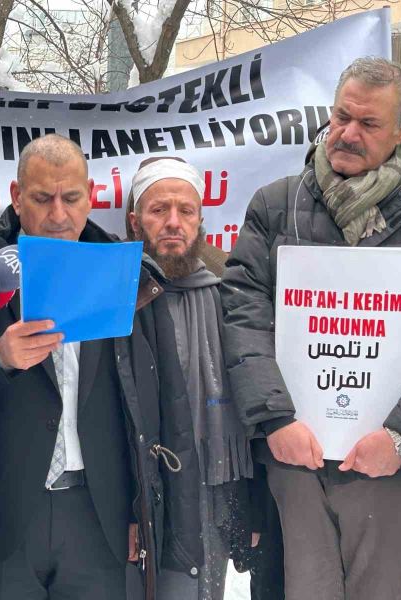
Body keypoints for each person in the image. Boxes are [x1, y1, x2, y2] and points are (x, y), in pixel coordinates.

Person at [0, 134, 202, 600]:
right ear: (16, 197)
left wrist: (144, 508)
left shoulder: (125, 273)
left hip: (99, 513)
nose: (58, 215)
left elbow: (158, 402)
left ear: (91, 196)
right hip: (5, 512)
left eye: (71, 198)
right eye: (42, 198)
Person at [220, 57, 401, 600]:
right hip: (296, 453)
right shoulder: (276, 205)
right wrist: (274, 417)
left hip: (393, 462)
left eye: (368, 124)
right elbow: (243, 311)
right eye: (342, 116)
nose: (347, 133)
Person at [126, 157, 254, 600]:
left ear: (201, 220)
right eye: (159, 210)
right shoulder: (114, 294)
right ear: (134, 221)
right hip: (137, 486)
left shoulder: (232, 290)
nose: (173, 222)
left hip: (211, 483)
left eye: (186, 210)